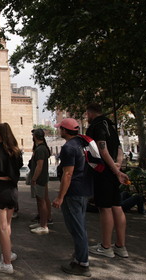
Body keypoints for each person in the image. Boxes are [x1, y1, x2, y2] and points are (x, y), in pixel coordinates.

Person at [86, 103, 129, 259]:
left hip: (103, 172)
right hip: (112, 171)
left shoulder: (97, 126)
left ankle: (106, 246)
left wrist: (116, 170)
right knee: (116, 206)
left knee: (105, 208)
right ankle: (120, 246)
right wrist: (117, 166)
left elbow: (102, 150)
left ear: (90, 114)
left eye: (86, 115)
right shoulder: (110, 125)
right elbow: (119, 149)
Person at [52, 118, 93, 277]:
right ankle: (79, 258)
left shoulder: (68, 147)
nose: (58, 130)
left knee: (77, 228)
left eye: (60, 128)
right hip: (83, 190)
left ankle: (83, 264)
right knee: (80, 226)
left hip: (73, 192)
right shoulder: (82, 144)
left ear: (64, 130)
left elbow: (67, 174)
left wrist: (60, 197)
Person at [0, 123, 22, 274]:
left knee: (1, 228)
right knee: (7, 225)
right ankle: (8, 253)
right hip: (12, 190)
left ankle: (6, 263)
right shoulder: (16, 151)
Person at [29, 128, 52, 234]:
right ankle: (41, 222)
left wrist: (34, 179)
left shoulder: (40, 150)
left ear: (35, 137)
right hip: (40, 179)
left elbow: (39, 166)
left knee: (42, 200)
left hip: (39, 179)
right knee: (40, 200)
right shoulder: (41, 148)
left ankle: (44, 225)